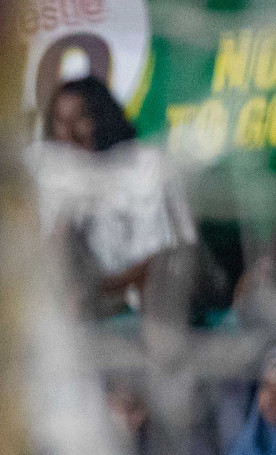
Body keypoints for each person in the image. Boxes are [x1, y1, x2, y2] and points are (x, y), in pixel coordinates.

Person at [33, 77, 204, 325]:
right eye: (59, 122)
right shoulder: (48, 170)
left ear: (103, 117)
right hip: (78, 300)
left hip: (146, 299)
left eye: (80, 119)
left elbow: (168, 253)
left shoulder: (145, 164)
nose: (68, 133)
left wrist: (105, 286)